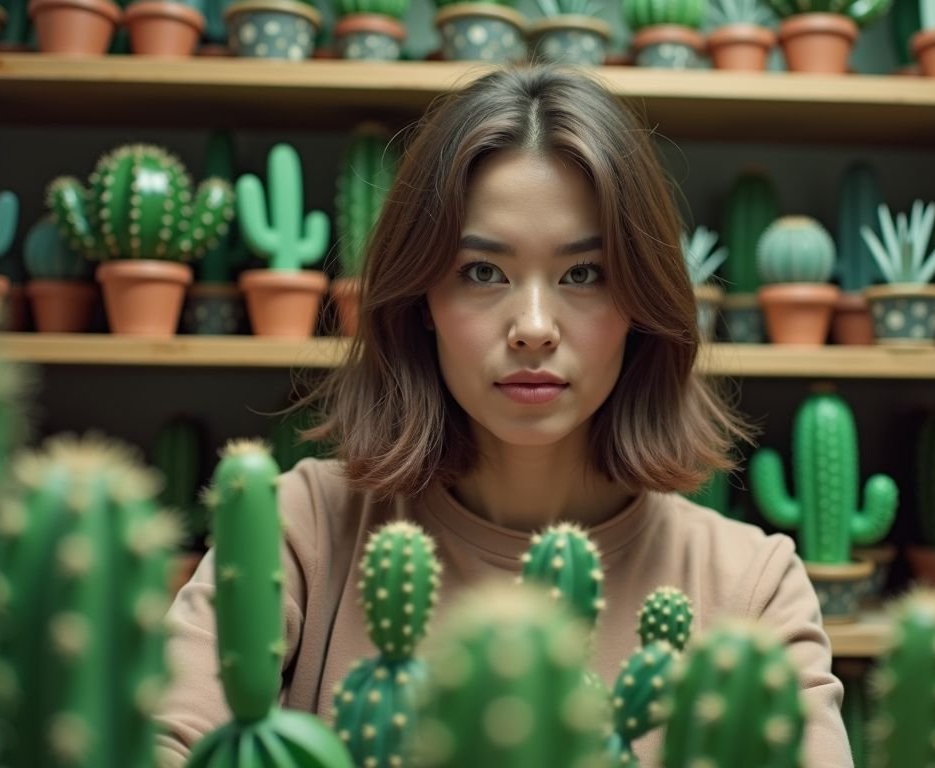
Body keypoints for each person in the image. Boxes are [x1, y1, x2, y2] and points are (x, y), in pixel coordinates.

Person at [155, 64, 851, 766]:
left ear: (642, 304)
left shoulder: (753, 586)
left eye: (584, 274)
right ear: (420, 301)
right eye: (483, 273)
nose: (534, 327)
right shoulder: (298, 529)